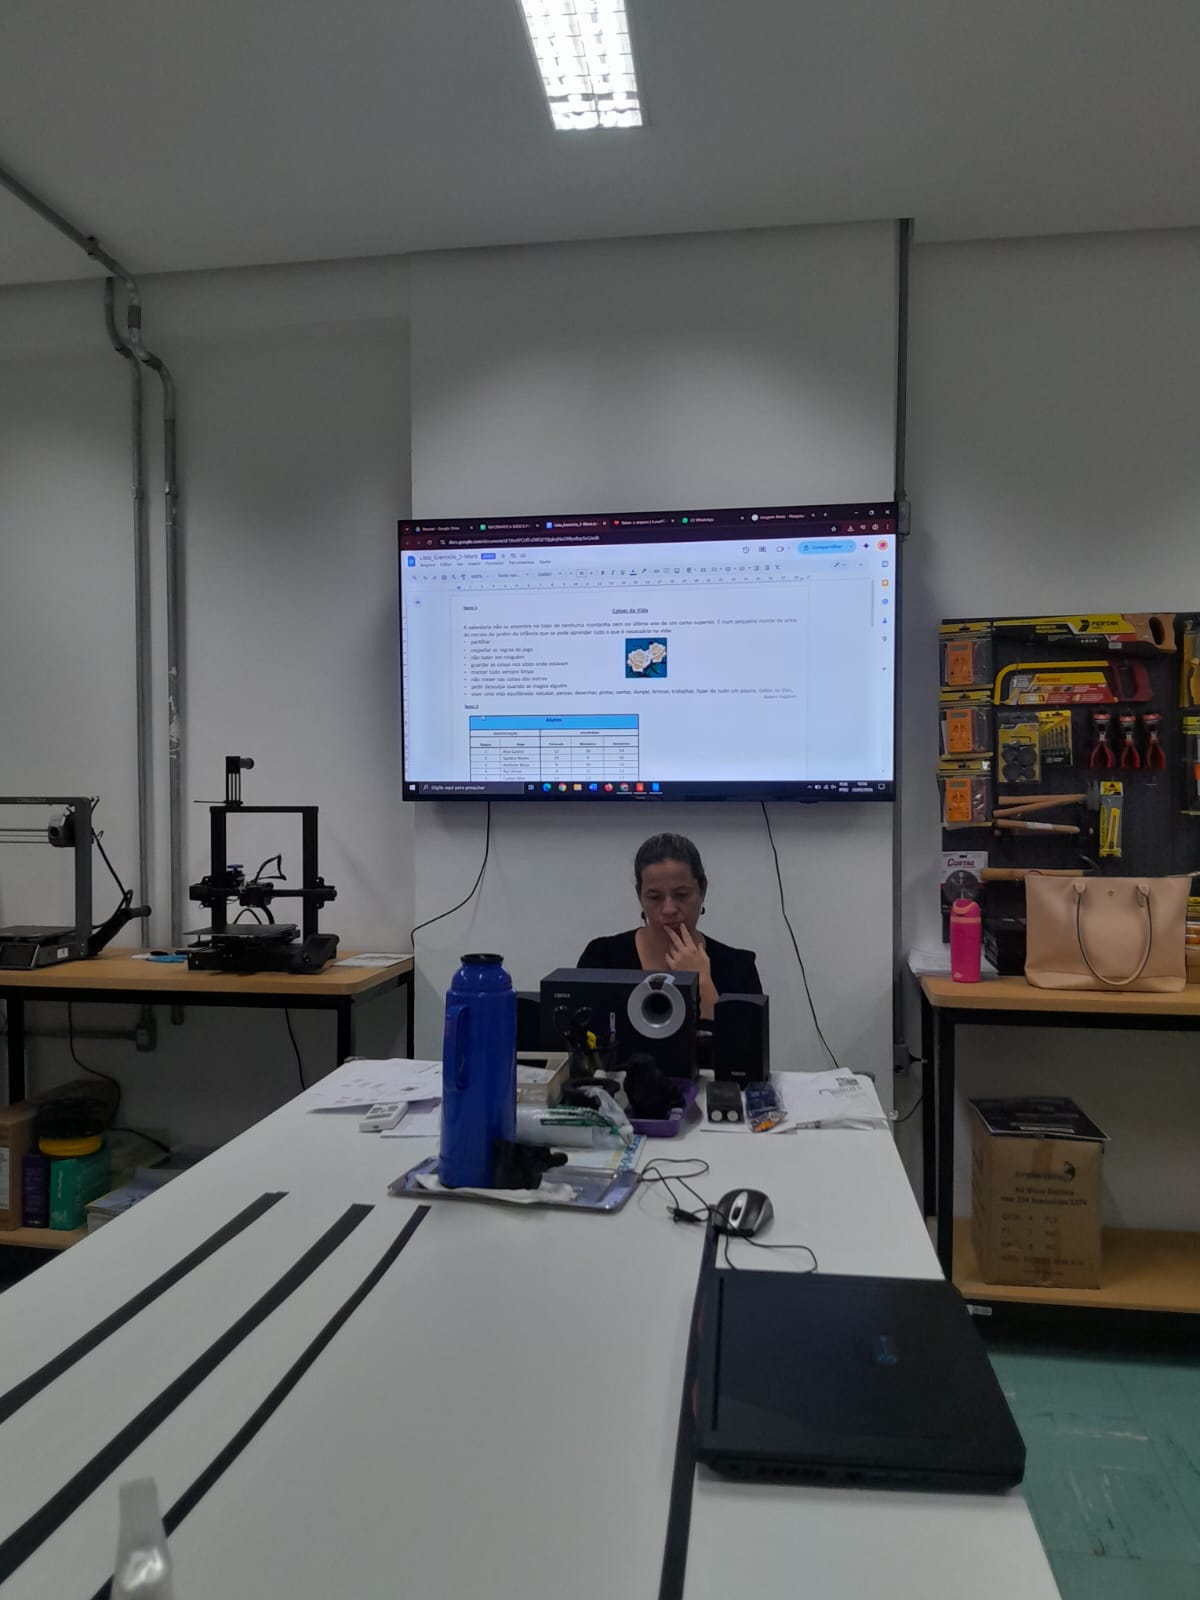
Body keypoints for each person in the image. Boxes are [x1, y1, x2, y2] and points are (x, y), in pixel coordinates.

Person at [578, 832, 761, 1021]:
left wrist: (702, 982)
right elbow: (579, 1034)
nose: (669, 909)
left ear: (702, 889)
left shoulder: (738, 968)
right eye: (654, 897)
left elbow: (745, 1040)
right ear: (640, 896)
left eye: (681, 895)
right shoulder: (601, 958)